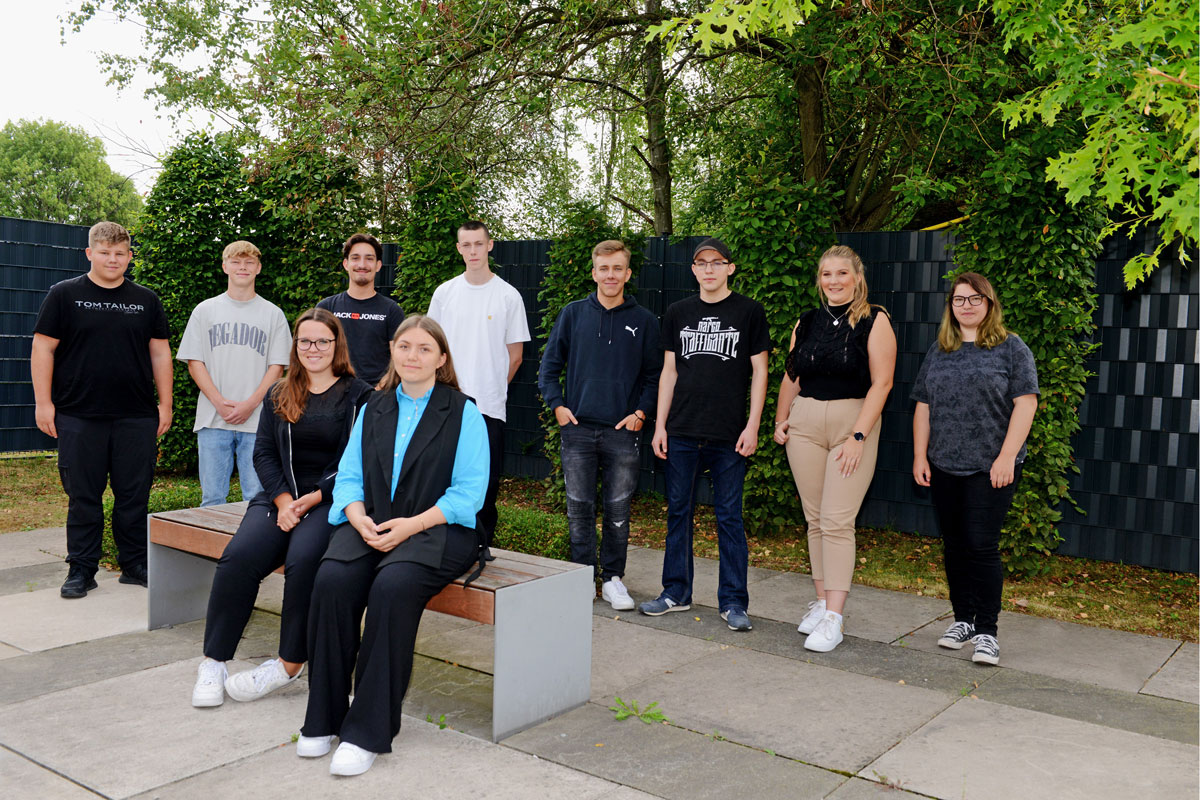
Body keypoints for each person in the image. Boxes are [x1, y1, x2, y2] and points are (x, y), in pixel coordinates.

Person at [298, 314, 488, 777]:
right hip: (373, 523)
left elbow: (468, 494)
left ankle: (366, 731)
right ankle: (323, 718)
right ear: (393, 353)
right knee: (332, 579)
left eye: (424, 348)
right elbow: (349, 477)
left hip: (437, 530)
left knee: (392, 589)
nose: (412, 356)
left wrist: (409, 526)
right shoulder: (374, 407)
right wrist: (358, 516)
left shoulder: (463, 411)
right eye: (405, 346)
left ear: (441, 359)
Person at [191, 308, 373, 707]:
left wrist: (316, 497)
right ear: (295, 346)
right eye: (305, 341)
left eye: (323, 341)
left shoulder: (359, 395)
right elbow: (264, 454)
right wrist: (285, 501)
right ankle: (214, 660)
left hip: (332, 500)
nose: (313, 348)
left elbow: (356, 459)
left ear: (336, 345)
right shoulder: (280, 392)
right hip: (280, 497)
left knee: (304, 560)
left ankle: (289, 664)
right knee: (239, 558)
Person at [31, 221, 173, 598]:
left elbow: (160, 353)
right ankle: (81, 569)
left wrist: (166, 404)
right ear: (90, 253)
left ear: (129, 256)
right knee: (84, 497)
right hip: (78, 415)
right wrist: (43, 403)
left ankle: (134, 564)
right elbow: (42, 348)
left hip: (137, 415)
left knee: (134, 496)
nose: (113, 259)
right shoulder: (64, 295)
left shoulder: (146, 299)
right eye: (105, 252)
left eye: (120, 253)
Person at [638, 237, 770, 632]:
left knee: (729, 516)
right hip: (681, 431)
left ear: (730, 267)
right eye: (701, 263)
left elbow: (760, 372)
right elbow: (669, 372)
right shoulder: (678, 312)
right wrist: (659, 425)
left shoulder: (749, 311)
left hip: (730, 435)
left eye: (717, 262)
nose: (709, 269)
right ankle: (675, 592)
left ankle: (733, 602)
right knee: (679, 512)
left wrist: (753, 425)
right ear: (693, 270)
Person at [773, 245, 895, 653]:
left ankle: (835, 618)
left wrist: (859, 436)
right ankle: (822, 601)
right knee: (815, 518)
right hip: (805, 424)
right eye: (827, 274)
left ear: (857, 278)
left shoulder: (876, 321)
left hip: (852, 424)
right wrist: (781, 419)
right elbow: (792, 375)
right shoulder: (805, 322)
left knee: (837, 520)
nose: (834, 281)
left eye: (842, 273)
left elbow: (882, 384)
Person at [912, 272, 1038, 666]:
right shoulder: (939, 350)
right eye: (959, 299)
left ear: (989, 303)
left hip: (991, 467)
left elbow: (1026, 403)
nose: (966, 306)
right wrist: (920, 456)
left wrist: (1006, 457)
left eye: (974, 299)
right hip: (944, 463)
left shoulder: (1011, 348)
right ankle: (962, 619)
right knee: (954, 545)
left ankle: (987, 631)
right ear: (951, 306)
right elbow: (923, 406)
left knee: (981, 546)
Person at [538, 239, 660, 610]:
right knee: (578, 507)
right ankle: (580, 578)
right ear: (594, 272)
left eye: (617, 268)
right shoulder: (573, 314)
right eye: (603, 268)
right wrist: (558, 406)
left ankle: (612, 579)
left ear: (627, 273)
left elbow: (657, 376)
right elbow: (547, 369)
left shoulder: (645, 321)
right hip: (577, 430)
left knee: (619, 509)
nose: (610, 275)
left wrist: (641, 414)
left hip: (623, 433)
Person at [426, 221, 529, 550]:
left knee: (486, 482)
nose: (472, 251)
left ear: (490, 245)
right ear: (459, 248)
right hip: (445, 405)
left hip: (488, 407)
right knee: (441, 478)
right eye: (466, 245)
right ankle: (441, 543)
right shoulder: (445, 293)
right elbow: (431, 348)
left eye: (478, 244)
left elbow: (515, 357)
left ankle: (480, 547)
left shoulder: (508, 296)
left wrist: (493, 387)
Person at [177, 241, 291, 506]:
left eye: (249, 262)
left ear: (259, 268)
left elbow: (277, 367)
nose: (243, 267)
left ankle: (253, 548)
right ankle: (213, 550)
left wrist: (251, 404)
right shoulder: (204, 311)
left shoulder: (273, 314)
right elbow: (195, 362)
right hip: (212, 420)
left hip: (258, 421)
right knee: (212, 499)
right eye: (236, 261)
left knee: (257, 498)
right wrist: (219, 402)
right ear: (224, 266)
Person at [317, 233, 405, 385]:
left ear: (378, 265)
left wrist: (380, 390)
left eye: (369, 258)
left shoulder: (392, 311)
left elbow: (400, 359)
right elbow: (315, 353)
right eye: (355, 258)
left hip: (377, 396)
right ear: (346, 264)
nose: (362, 265)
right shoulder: (326, 308)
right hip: (333, 394)